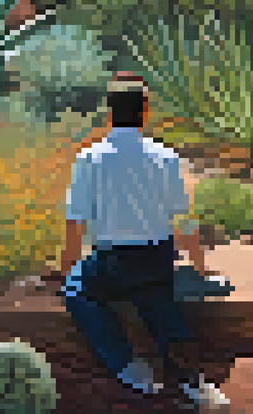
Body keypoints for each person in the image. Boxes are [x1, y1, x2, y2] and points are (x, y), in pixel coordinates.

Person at [52, 72, 230, 411]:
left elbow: (75, 224)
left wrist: (65, 271)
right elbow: (183, 221)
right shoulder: (165, 157)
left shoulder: (89, 158)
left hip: (111, 263)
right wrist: (201, 267)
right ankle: (194, 383)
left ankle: (129, 367)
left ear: (109, 114)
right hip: (157, 259)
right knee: (160, 305)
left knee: (76, 289)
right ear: (144, 112)